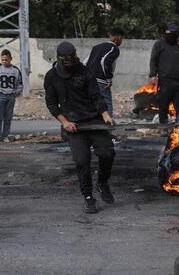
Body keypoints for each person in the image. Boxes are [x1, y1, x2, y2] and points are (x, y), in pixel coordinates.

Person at [44, 41, 115, 214]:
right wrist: (64, 122)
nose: (70, 62)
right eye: (66, 60)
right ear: (60, 59)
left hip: (94, 121)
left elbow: (96, 96)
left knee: (108, 153)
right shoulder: (51, 76)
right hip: (73, 125)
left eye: (72, 59)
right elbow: (52, 103)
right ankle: (88, 197)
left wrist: (105, 114)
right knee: (82, 161)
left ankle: (102, 182)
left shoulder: (85, 71)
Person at [149, 23, 179, 124]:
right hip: (164, 81)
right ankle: (164, 129)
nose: (170, 36)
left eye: (172, 34)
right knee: (163, 107)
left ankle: (178, 130)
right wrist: (153, 74)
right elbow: (153, 60)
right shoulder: (159, 44)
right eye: (168, 33)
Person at [85, 27, 124, 117]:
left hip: (89, 80)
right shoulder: (114, 48)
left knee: (93, 103)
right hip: (101, 81)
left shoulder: (96, 47)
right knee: (107, 103)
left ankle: (94, 125)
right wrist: (109, 80)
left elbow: (85, 62)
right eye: (121, 39)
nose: (121, 41)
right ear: (117, 38)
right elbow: (104, 62)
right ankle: (108, 126)